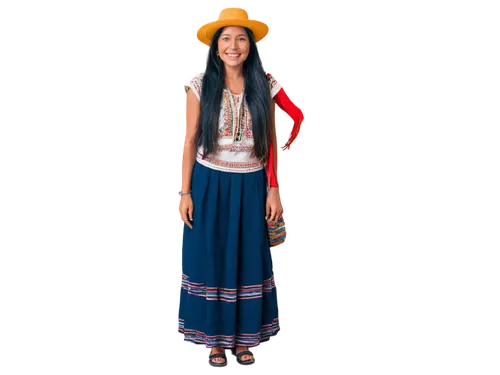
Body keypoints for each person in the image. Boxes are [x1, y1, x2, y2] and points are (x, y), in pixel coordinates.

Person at [176, 4, 308, 368]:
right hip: (207, 182)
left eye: (241, 39)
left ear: (251, 45)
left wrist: (273, 188)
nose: (233, 46)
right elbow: (188, 142)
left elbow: (269, 138)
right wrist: (184, 193)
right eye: (226, 39)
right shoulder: (199, 84)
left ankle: (245, 339)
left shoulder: (265, 84)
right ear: (216, 47)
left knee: (250, 258)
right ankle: (214, 343)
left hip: (251, 184)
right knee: (209, 257)